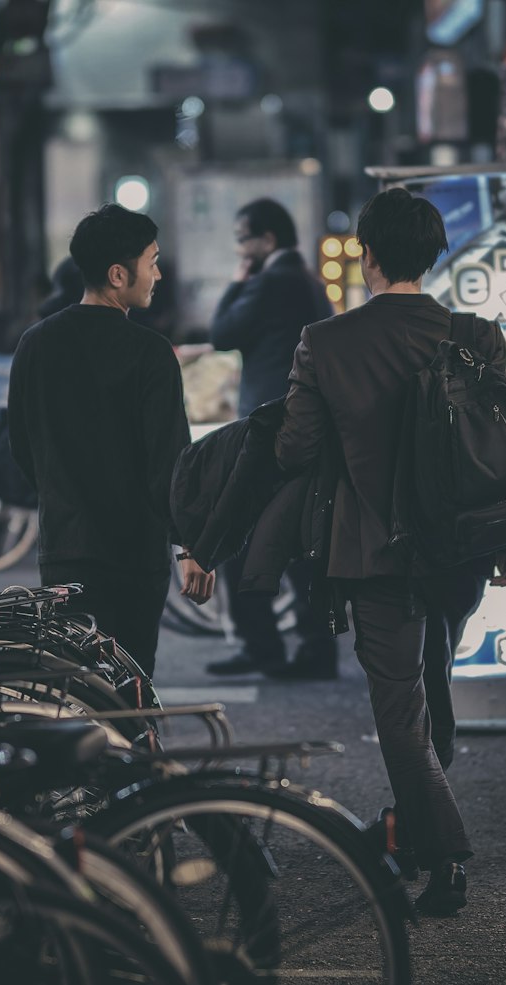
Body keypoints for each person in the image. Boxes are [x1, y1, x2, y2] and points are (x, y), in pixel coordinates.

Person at [275, 187, 506, 916]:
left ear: (367, 254)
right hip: (460, 550)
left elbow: (296, 448)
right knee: (433, 687)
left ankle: (443, 858)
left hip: (375, 553)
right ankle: (407, 833)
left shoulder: (326, 343)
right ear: (435, 252)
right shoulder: (476, 336)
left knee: (402, 713)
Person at [7, 203, 214, 679]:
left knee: (73, 688)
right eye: (152, 261)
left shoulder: (35, 344)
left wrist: (62, 496)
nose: (157, 274)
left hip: (63, 549)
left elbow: (21, 445)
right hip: (132, 555)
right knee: (129, 686)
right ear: (119, 274)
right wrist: (191, 545)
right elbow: (171, 463)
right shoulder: (150, 353)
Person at [206, 197, 337, 679]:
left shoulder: (269, 282)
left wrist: (237, 281)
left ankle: (263, 644)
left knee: (236, 535)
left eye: (244, 238)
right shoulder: (309, 282)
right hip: (309, 426)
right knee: (302, 542)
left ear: (266, 240)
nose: (241, 247)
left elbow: (222, 333)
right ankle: (313, 648)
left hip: (269, 428)